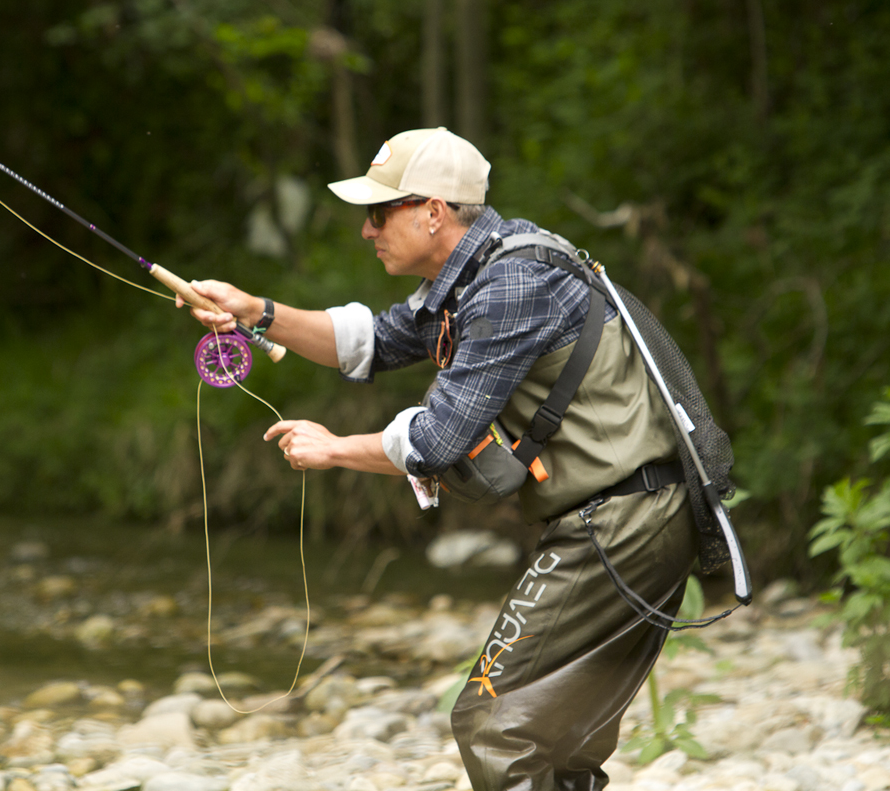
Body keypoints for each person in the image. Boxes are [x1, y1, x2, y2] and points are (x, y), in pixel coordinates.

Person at [180, 127, 699, 791]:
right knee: (560, 747)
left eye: (379, 212)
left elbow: (436, 443)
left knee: (493, 722)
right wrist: (256, 311)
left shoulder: (511, 284)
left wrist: (335, 448)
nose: (367, 230)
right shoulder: (477, 275)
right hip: (637, 518)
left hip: (622, 525)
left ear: (433, 211)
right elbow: (372, 340)